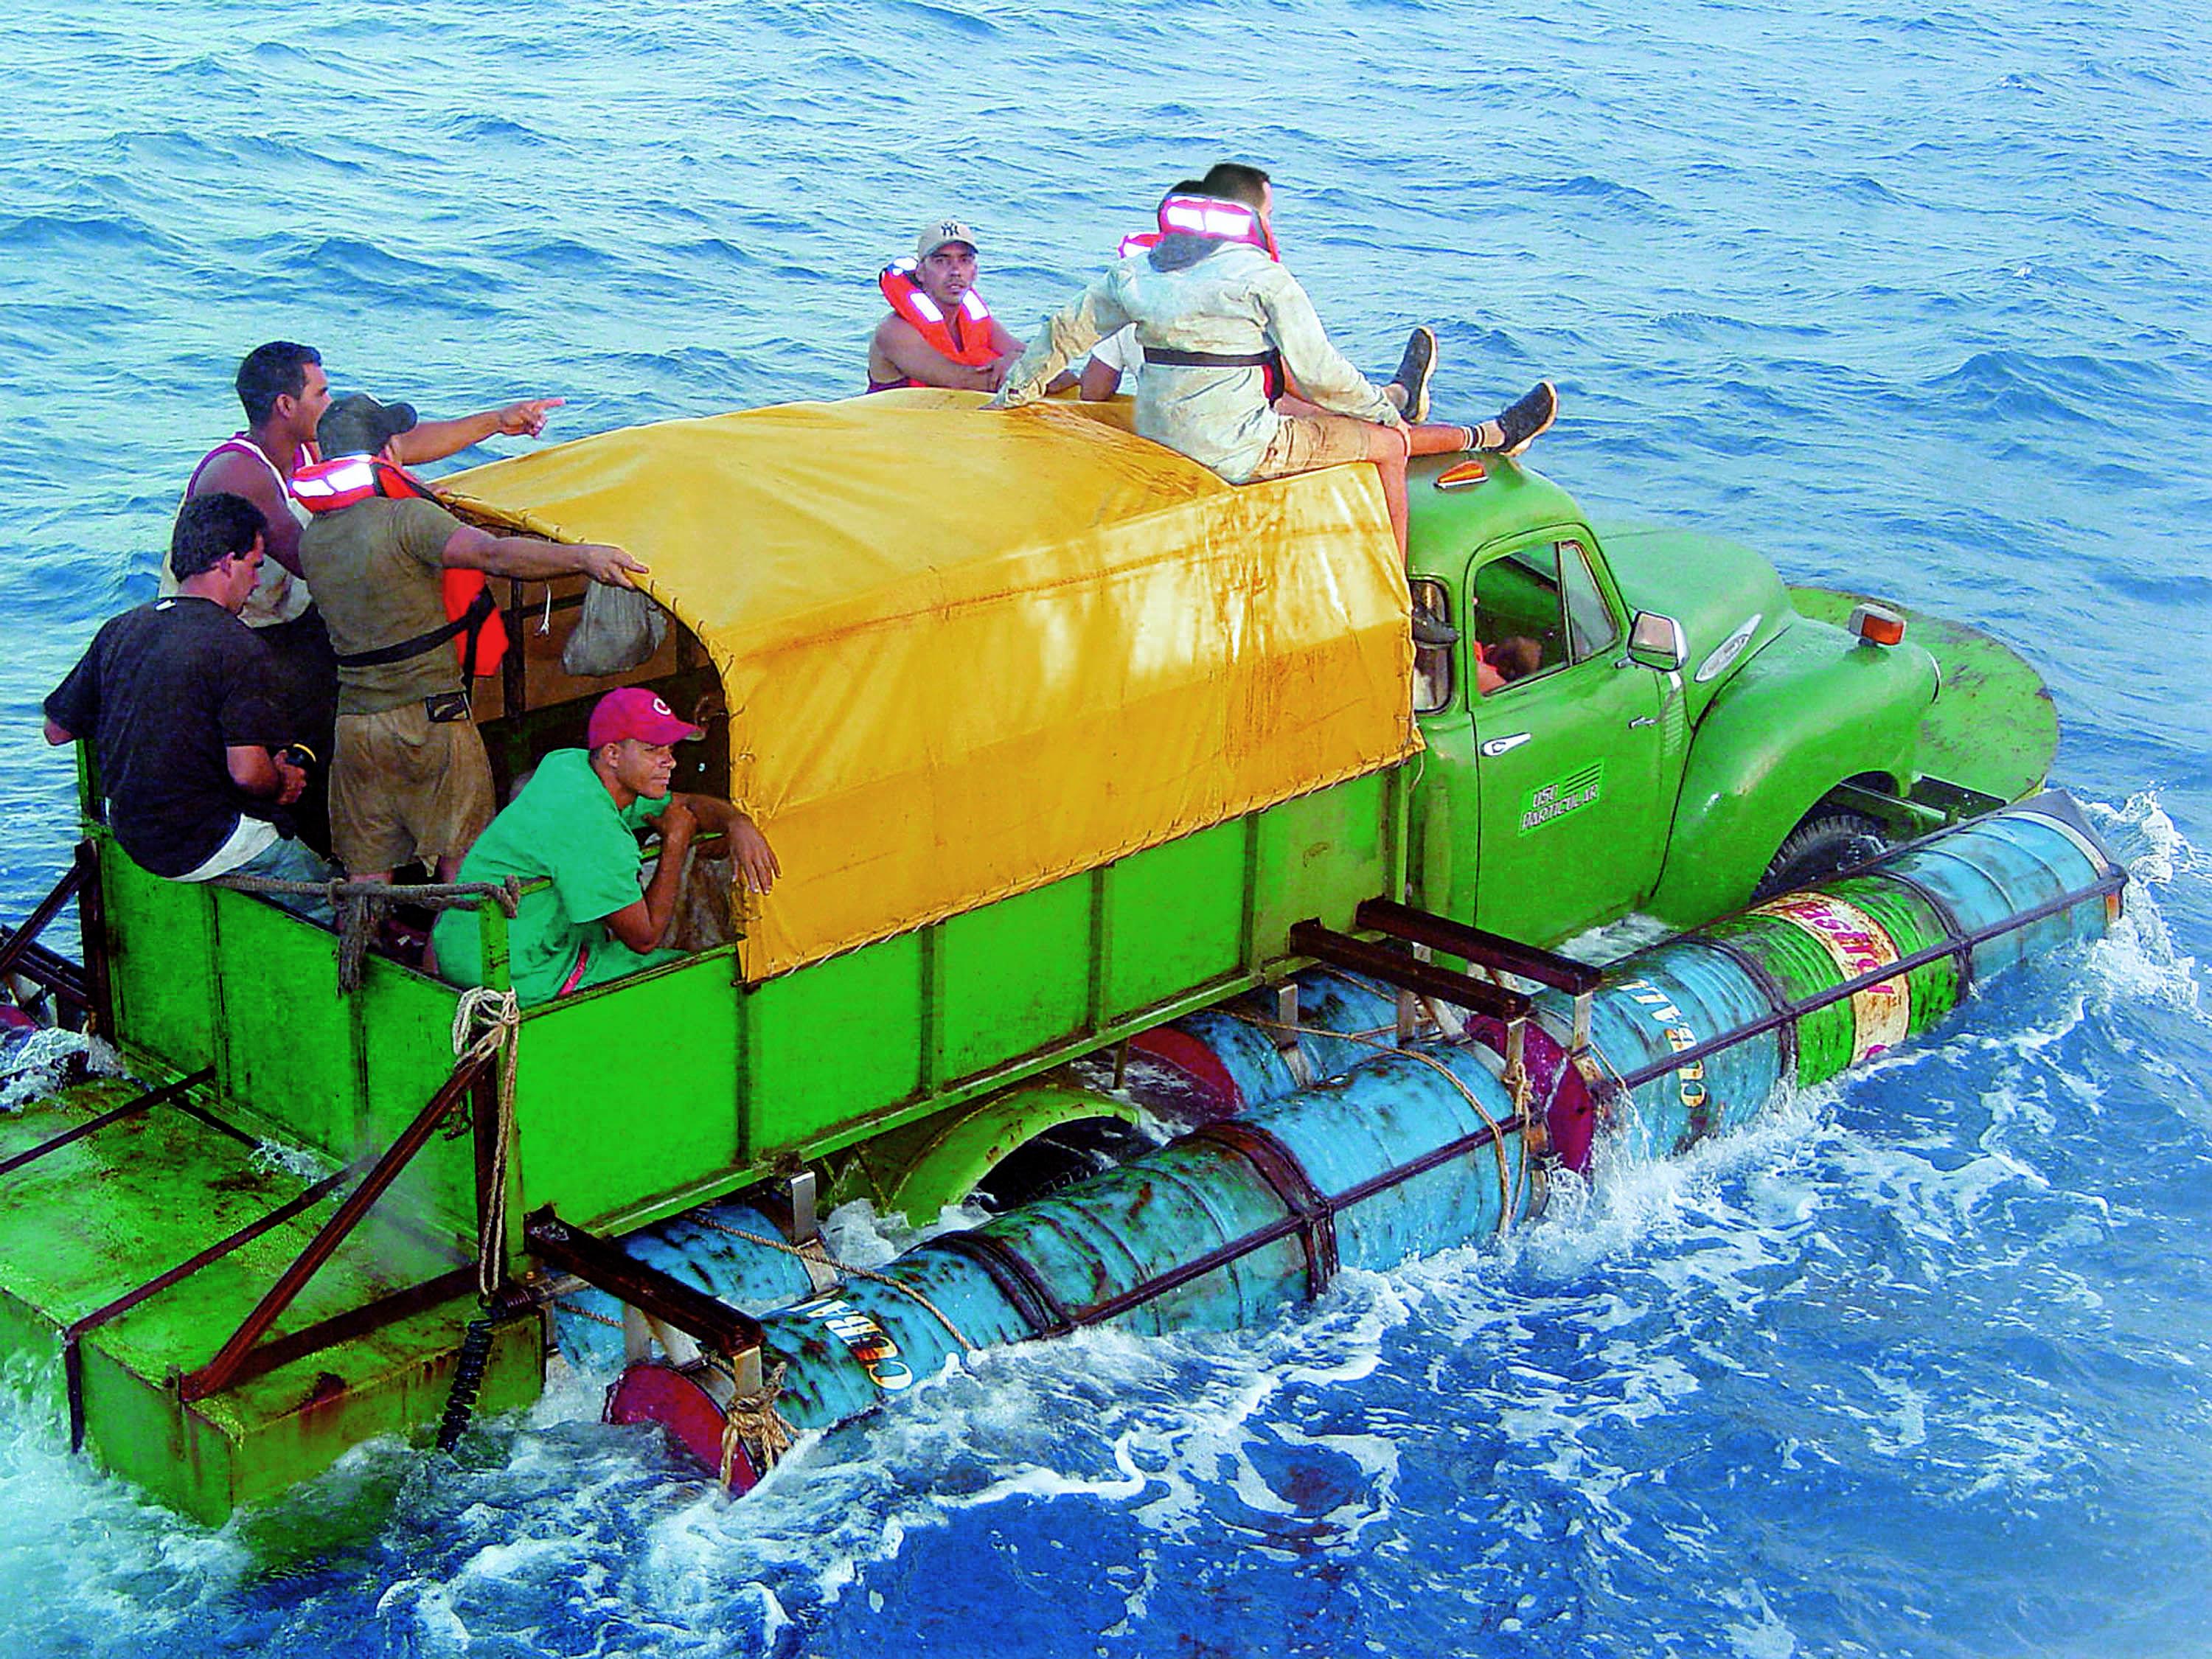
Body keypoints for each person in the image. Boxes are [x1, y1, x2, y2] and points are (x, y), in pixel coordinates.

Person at [991, 162, 1559, 643]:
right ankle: (1401, 599)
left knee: (1330, 410)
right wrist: (1380, 414)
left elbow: (1062, 332)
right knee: (1387, 444)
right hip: (1239, 450)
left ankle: (1417, 405)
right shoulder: (1262, 277)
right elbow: (1321, 376)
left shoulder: (1136, 272)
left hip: (1161, 434)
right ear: (1249, 217)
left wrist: (1013, 395)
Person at [175, 341, 573, 846]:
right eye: (321, 393)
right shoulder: (240, 471)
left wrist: (496, 421)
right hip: (235, 636)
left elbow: (399, 445)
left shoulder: (309, 449)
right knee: (327, 722)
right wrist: (407, 510)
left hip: (298, 620)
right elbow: (316, 559)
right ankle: (312, 837)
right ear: (286, 405)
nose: (328, 402)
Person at [295, 393, 647, 894]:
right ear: (388, 451)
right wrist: (583, 558)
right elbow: (493, 554)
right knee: (465, 863)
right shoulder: (407, 519)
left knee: (367, 875)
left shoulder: (315, 538)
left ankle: (360, 941)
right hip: (431, 717)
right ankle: (465, 947)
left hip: (356, 724)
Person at [44, 494, 333, 921]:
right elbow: (248, 774)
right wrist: (282, 783)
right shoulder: (238, 645)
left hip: (134, 835)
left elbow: (57, 731)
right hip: (202, 841)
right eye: (254, 566)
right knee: (326, 895)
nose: (256, 582)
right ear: (226, 563)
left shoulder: (121, 629)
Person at [431, 689, 779, 1006]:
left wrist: (737, 823)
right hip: (513, 972)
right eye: (652, 749)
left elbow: (685, 805)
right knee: (701, 977)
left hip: (461, 947)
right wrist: (676, 842)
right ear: (613, 753)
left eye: (670, 749)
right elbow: (645, 938)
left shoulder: (571, 766)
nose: (670, 761)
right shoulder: (592, 825)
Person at [868, 218, 1028, 393]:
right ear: (921, 272)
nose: (955, 272)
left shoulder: (983, 325)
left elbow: (1044, 364)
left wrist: (1016, 358)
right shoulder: (894, 331)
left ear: (975, 271)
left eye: (965, 260)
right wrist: (1020, 370)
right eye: (941, 261)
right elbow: (961, 381)